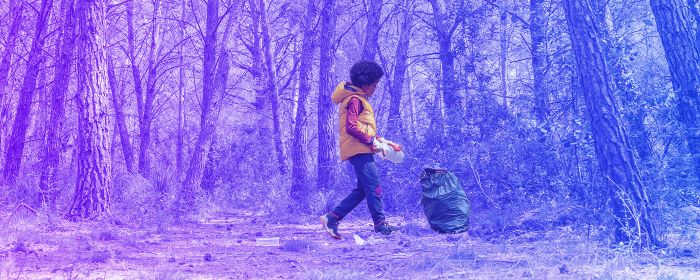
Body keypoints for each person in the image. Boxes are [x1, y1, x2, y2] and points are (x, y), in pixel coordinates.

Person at [319, 60, 402, 239]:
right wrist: (372, 140)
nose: (375, 87)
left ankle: (332, 218)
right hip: (358, 149)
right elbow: (351, 127)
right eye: (375, 84)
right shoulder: (355, 100)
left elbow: (363, 128)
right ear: (365, 83)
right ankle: (380, 225)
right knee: (374, 186)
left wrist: (385, 142)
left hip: (361, 147)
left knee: (364, 189)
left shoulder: (358, 99)